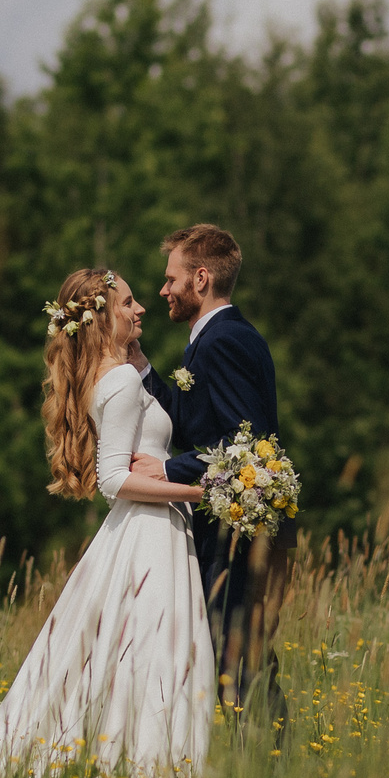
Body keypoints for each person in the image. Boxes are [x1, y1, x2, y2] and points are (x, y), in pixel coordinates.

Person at [0, 267, 212, 778]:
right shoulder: (117, 381)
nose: (140, 309)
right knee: (156, 654)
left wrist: (142, 365)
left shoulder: (118, 373)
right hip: (148, 532)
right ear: (101, 317)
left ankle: (144, 763)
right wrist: (200, 490)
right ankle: (151, 767)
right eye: (127, 304)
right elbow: (114, 479)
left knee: (137, 654)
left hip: (152, 527)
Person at [130, 223, 289, 724]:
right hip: (225, 524)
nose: (163, 291)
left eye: (171, 279)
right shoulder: (213, 339)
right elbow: (201, 423)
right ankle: (268, 765)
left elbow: (249, 446)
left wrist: (168, 468)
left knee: (237, 659)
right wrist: (141, 367)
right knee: (237, 657)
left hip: (235, 534)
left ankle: (270, 767)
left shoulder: (224, 341)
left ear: (201, 279)